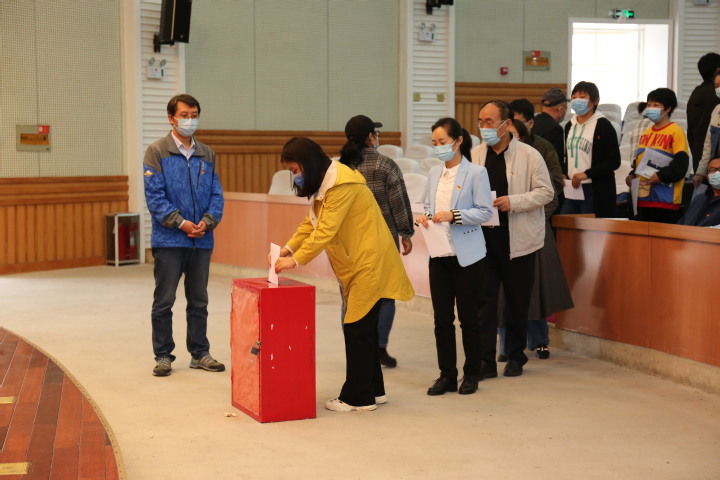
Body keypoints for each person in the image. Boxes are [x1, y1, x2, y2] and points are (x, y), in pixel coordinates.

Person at [274, 137, 414, 412]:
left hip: (369, 263)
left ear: (308, 164)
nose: (295, 177)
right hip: (360, 263)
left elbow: (325, 231)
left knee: (357, 329)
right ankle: (374, 390)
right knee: (364, 329)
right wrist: (288, 248)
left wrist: (296, 260)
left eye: (295, 170)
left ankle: (357, 398)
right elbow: (311, 223)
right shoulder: (327, 184)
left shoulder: (341, 185)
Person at [143, 94, 225, 377]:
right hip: (169, 240)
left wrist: (207, 222)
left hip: (201, 239)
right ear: (171, 118)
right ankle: (163, 355)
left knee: (199, 300)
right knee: (164, 300)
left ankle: (200, 353)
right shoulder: (156, 151)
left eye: (194, 115)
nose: (190, 120)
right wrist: (181, 223)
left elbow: (216, 194)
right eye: (184, 115)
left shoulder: (207, 154)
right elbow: (155, 197)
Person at [471, 101, 554, 378]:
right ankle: (485, 361)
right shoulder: (475, 155)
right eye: (480, 121)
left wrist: (514, 202)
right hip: (484, 240)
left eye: (489, 121)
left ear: (506, 124)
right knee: (484, 302)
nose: (484, 127)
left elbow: (546, 192)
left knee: (517, 302)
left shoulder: (529, 155)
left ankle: (516, 356)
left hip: (518, 240)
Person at [417, 118, 493, 396]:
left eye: (443, 142)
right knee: (441, 320)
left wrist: (454, 215)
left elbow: (485, 211)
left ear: (458, 141)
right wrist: (426, 216)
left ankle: (471, 373)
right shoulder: (434, 173)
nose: (438, 147)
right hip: (439, 253)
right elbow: (428, 205)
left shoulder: (476, 173)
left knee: (469, 318)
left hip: (468, 256)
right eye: (435, 143)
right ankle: (446, 375)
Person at [339, 115, 414, 368]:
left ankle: (354, 348)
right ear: (371, 137)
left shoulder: (340, 168)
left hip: (350, 246)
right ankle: (379, 348)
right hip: (383, 243)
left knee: (350, 297)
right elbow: (398, 202)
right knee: (385, 296)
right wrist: (406, 233)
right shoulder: (386, 165)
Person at [495, 115, 573, 361]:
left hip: (534, 234)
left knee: (533, 291)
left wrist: (530, 214)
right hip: (502, 232)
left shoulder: (534, 156)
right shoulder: (492, 160)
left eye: (515, 137)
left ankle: (539, 341)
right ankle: (505, 345)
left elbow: (550, 197)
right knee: (503, 293)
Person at [626, 88, 690, 224]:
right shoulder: (646, 133)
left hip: (665, 200)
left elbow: (681, 164)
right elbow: (640, 161)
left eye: (656, 105)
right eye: (649, 105)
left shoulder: (676, 131)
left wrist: (661, 176)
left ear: (668, 109)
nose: (650, 108)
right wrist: (632, 175)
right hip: (643, 199)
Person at [560, 81, 621, 217]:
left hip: (594, 189)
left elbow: (614, 161)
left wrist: (587, 174)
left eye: (582, 97)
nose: (577, 100)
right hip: (572, 188)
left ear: (595, 100)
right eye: (574, 97)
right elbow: (568, 156)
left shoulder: (603, 125)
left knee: (590, 228)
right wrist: (564, 173)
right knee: (566, 224)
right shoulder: (569, 125)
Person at [687, 53, 720, 172]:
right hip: (714, 157)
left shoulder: (695, 93)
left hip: (697, 152)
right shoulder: (715, 95)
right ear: (718, 70)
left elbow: (690, 130)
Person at [692, 69, 720, 189]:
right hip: (715, 172)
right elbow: (708, 146)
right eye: (716, 86)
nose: (718, 89)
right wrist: (700, 172)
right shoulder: (716, 110)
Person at [679, 157, 720, 227]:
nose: (717, 173)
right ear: (707, 176)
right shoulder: (699, 199)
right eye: (712, 170)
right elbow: (682, 222)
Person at [533, 87, 568, 162]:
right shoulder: (555, 129)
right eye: (566, 108)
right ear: (561, 109)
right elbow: (556, 161)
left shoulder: (532, 122)